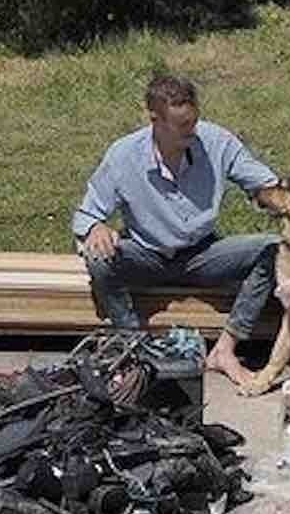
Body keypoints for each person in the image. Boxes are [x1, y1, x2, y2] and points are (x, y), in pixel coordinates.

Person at [72, 72, 279, 387]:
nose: (191, 132)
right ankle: (132, 345)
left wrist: (280, 200)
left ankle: (226, 349)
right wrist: (96, 227)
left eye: (193, 123)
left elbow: (264, 183)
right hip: (146, 254)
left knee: (274, 249)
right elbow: (87, 213)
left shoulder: (215, 142)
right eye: (182, 127)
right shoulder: (123, 155)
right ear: (155, 120)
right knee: (98, 257)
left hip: (203, 253)